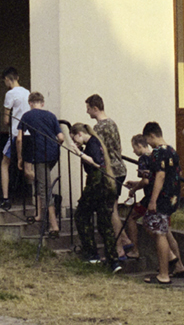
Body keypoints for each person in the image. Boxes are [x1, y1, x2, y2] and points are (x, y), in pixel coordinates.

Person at [66, 121, 123, 269]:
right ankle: (113, 261)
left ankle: (92, 254)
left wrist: (80, 153)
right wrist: (81, 151)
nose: (74, 142)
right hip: (105, 186)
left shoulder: (92, 143)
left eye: (74, 138)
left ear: (80, 134)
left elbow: (96, 163)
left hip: (96, 185)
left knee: (81, 216)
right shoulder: (96, 142)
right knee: (104, 223)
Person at [140, 120, 184, 285]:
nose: (149, 144)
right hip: (172, 197)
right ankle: (171, 258)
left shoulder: (158, 152)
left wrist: (153, 200)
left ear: (152, 135)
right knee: (153, 226)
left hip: (162, 197)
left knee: (160, 233)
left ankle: (164, 274)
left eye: (148, 140)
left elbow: (160, 176)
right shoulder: (172, 151)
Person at [16, 89, 62, 233]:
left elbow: (19, 139)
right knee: (40, 181)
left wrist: (20, 157)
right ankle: (39, 214)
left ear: (30, 103)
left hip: (39, 154)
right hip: (53, 154)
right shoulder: (51, 116)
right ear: (42, 103)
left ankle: (54, 225)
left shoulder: (26, 116)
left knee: (44, 187)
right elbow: (61, 137)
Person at [85, 95, 127, 244]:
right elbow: (119, 147)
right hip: (120, 167)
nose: (87, 112)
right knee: (113, 207)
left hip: (111, 170)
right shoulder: (112, 123)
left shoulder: (99, 128)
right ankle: (123, 240)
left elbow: (97, 151)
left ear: (95, 108)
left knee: (111, 210)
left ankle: (122, 242)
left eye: (88, 108)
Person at [0, 67, 31, 207]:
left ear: (7, 79)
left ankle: (5, 198)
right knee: (28, 167)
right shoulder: (27, 92)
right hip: (28, 133)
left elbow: (6, 119)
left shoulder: (10, 94)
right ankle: (41, 192)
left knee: (4, 163)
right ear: (17, 77)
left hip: (15, 134)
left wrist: (7, 121)